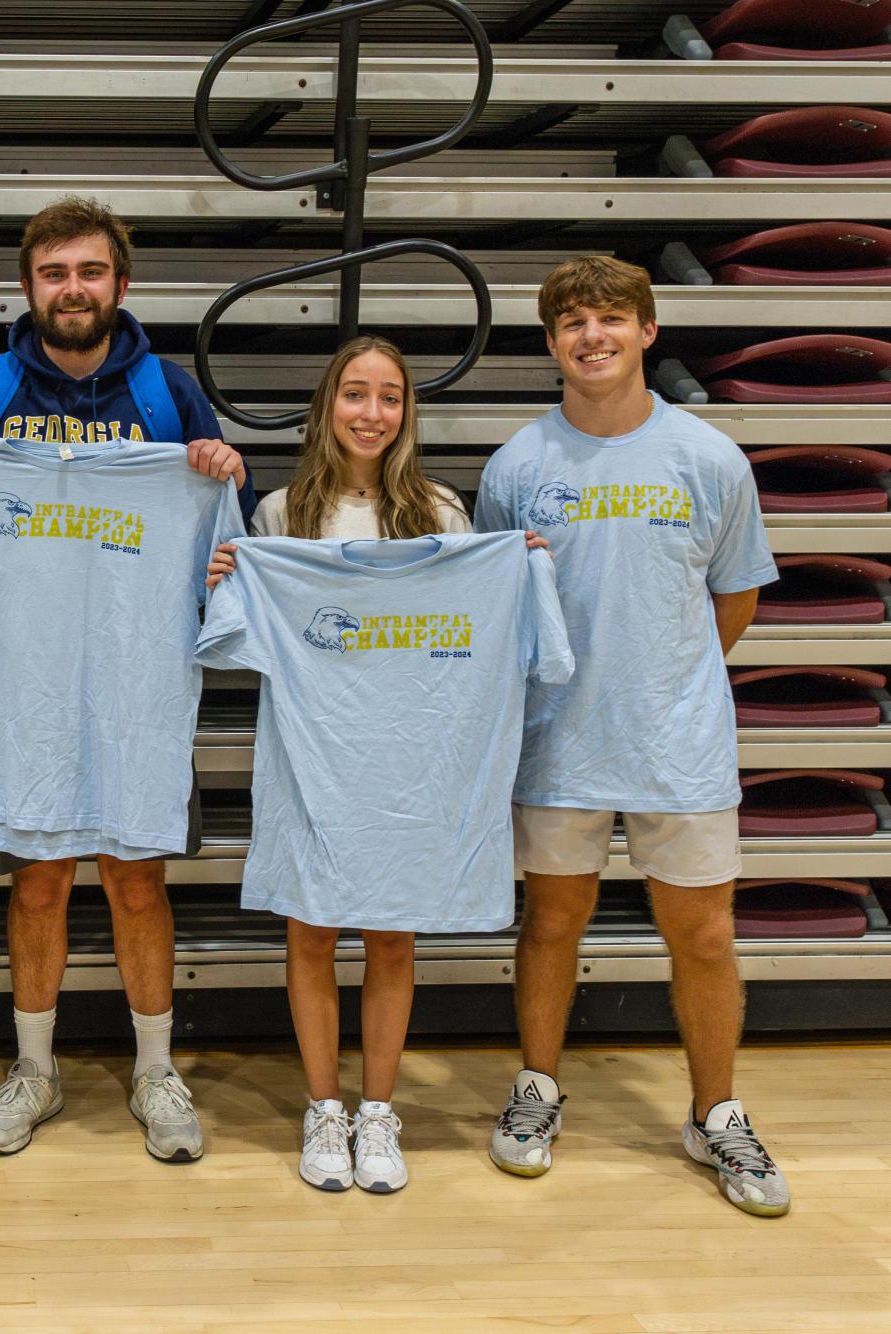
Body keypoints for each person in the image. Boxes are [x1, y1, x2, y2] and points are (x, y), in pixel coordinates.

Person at [0, 196, 249, 1160]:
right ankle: (36, 1070)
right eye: (54, 273)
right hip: (24, 688)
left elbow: (221, 554)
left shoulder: (170, 395)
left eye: (89, 272)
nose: (73, 289)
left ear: (120, 285)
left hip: (136, 684)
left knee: (137, 881)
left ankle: (154, 1069)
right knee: (38, 882)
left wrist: (218, 468)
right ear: (28, 287)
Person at [474, 256, 789, 1217]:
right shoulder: (516, 467)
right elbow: (498, 609)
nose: (590, 335)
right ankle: (535, 1090)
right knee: (551, 924)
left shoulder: (708, 458)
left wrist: (664, 677)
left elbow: (731, 597)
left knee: (701, 934)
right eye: (570, 321)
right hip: (556, 742)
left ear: (647, 332)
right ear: (550, 342)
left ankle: (714, 1113)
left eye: (610, 318)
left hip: (676, 744)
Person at [209, 335, 541, 1194]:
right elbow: (239, 642)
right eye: (354, 394)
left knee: (393, 931)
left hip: (412, 759)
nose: (371, 412)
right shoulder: (280, 516)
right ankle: (323, 1109)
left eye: (388, 396)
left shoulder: (441, 513)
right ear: (326, 408)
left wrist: (517, 572)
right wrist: (229, 578)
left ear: (406, 412)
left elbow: (476, 629)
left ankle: (377, 1111)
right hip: (312, 754)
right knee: (311, 928)